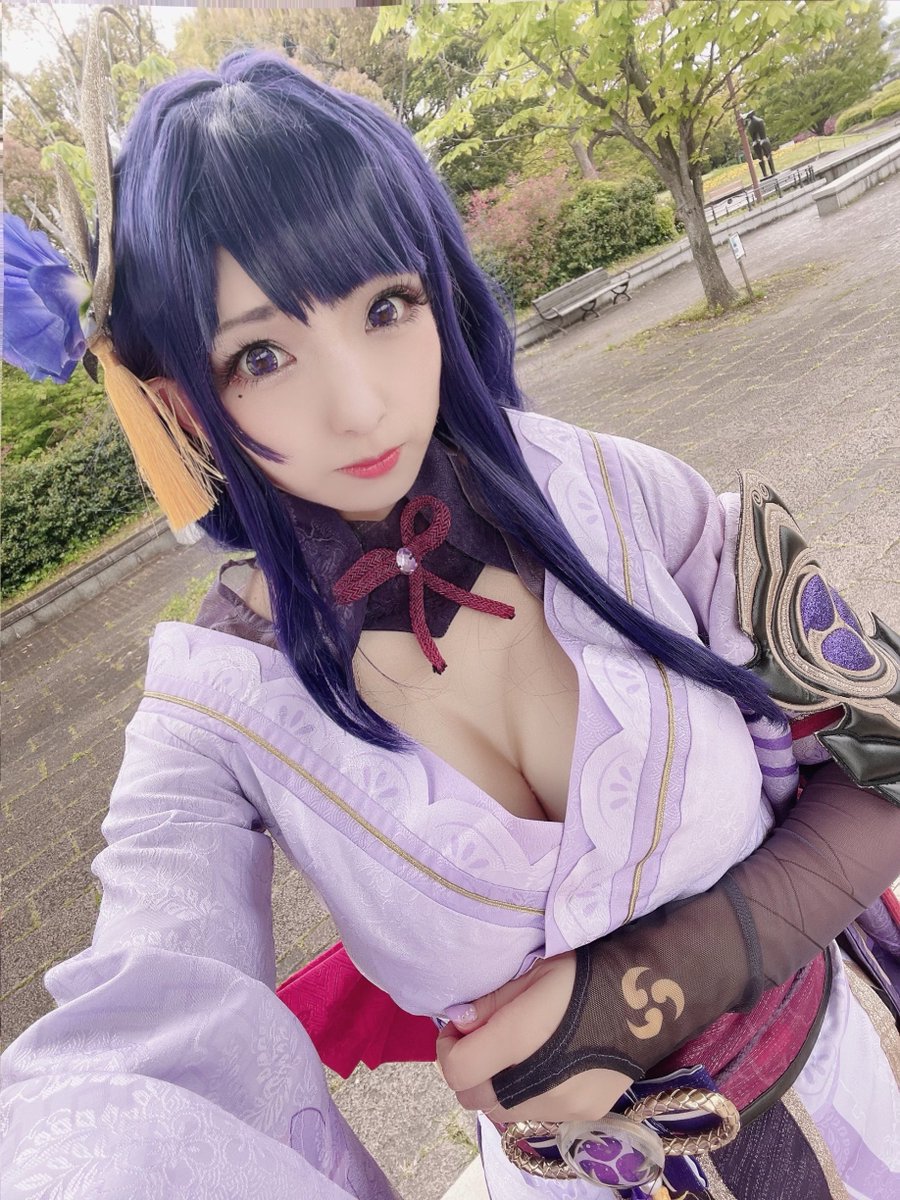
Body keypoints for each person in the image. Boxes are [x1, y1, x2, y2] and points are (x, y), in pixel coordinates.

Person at [2, 50, 898, 1200]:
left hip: (840, 1114)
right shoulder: (213, 714)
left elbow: (884, 752)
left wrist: (649, 989)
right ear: (179, 397)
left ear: (438, 285)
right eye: (262, 355)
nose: (361, 403)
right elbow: (139, 1057)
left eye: (386, 306)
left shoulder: (624, 497)